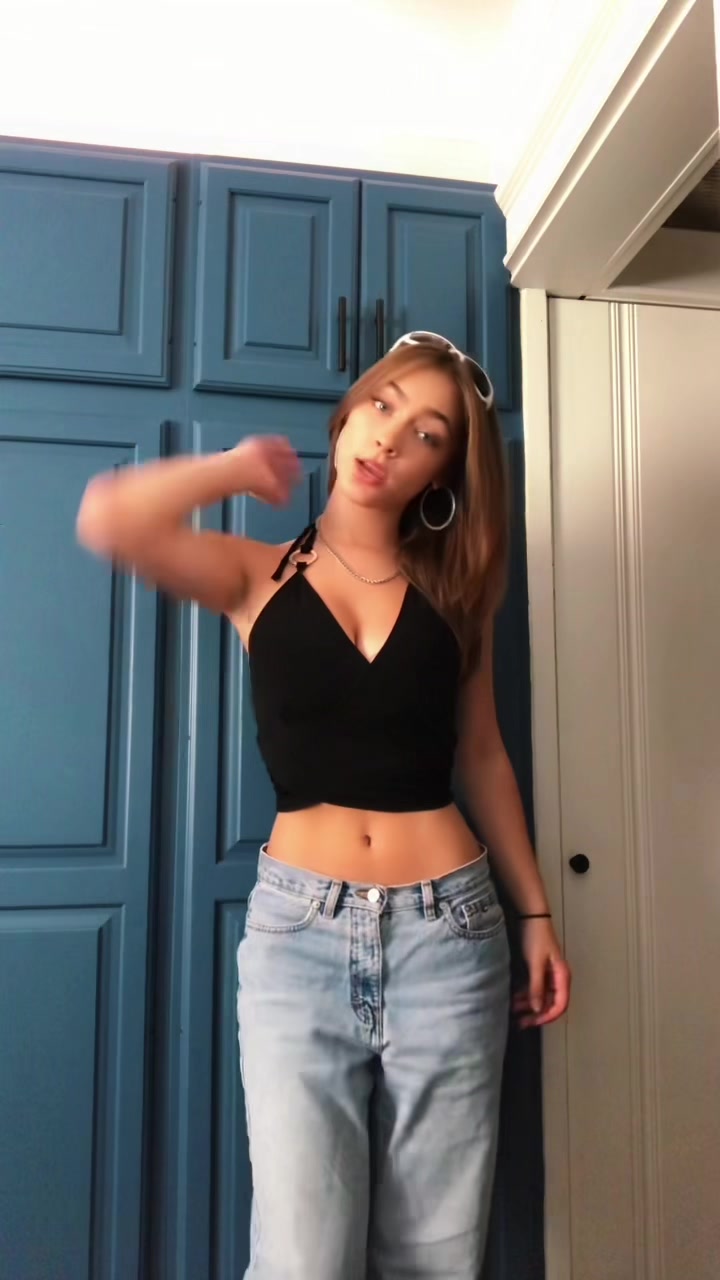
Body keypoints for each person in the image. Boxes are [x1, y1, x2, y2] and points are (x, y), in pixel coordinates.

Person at [77, 331, 571, 1280]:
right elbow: (111, 518)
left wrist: (537, 913)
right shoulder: (258, 575)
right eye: (383, 406)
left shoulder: (457, 594)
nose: (391, 438)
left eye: (427, 434)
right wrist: (231, 467)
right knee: (304, 1258)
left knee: (436, 1257)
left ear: (443, 473)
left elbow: (483, 755)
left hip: (453, 934)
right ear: (347, 416)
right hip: (298, 938)